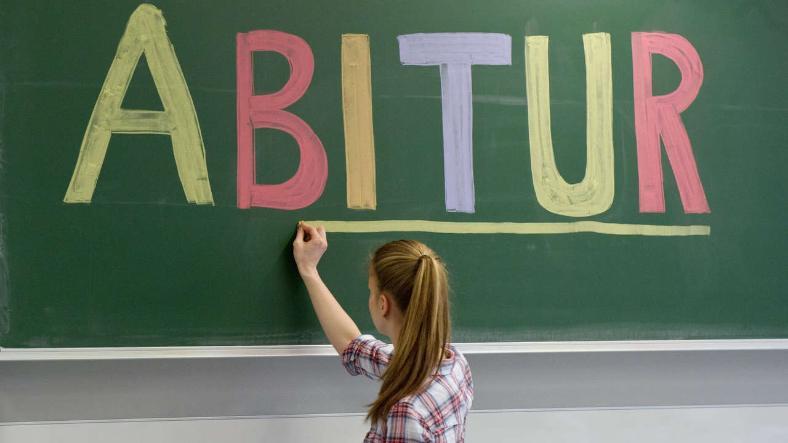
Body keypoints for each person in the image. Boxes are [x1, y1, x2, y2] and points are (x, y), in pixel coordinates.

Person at [292, 222, 474, 442]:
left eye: (371, 291)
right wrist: (309, 271)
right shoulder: (452, 363)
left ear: (382, 304)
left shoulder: (407, 413)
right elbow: (353, 345)